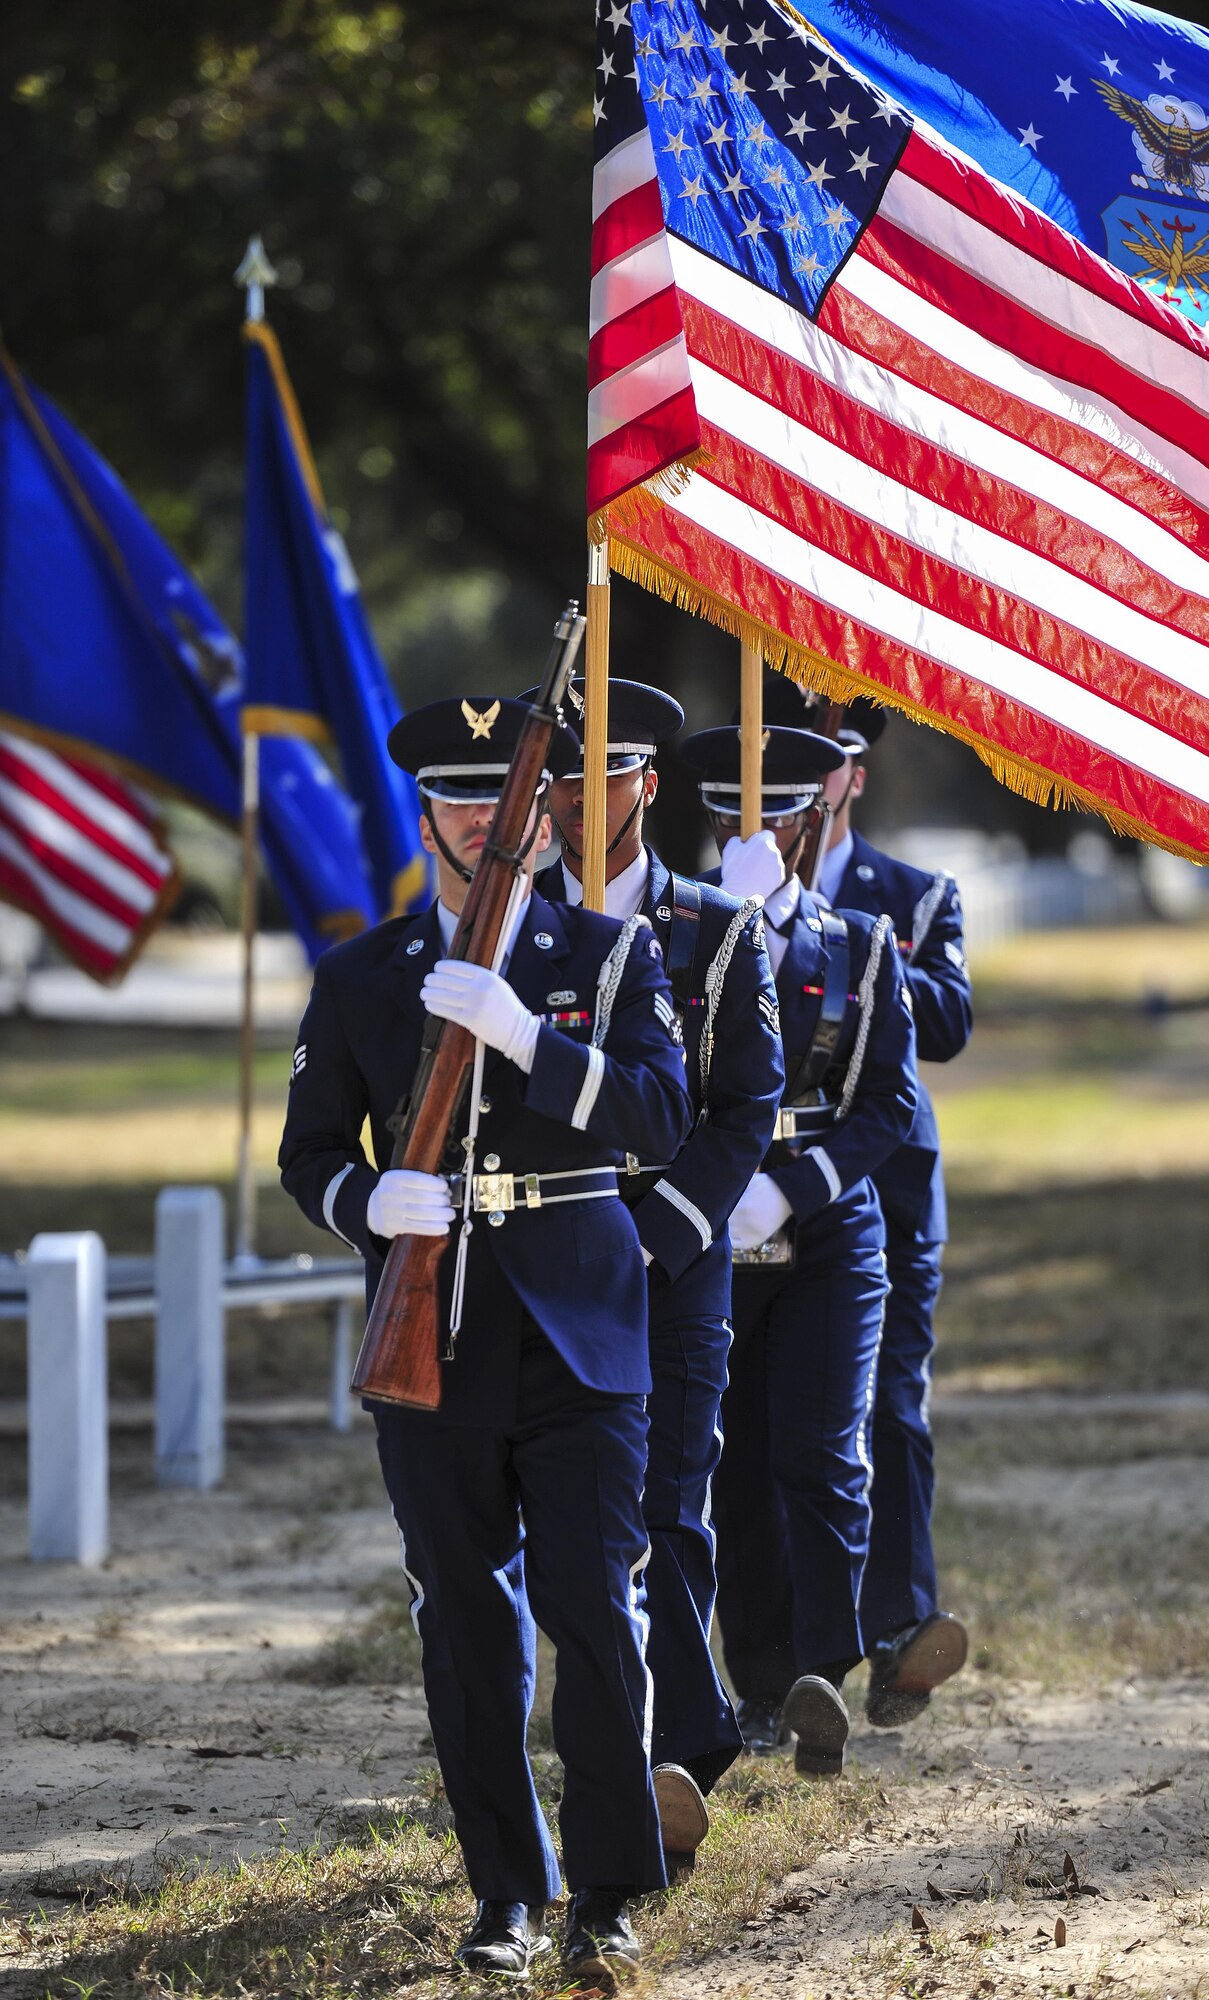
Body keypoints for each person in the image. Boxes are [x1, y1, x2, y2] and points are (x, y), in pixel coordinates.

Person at [278, 695, 694, 1981]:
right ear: (426, 816)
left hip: (578, 1333)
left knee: (593, 1611)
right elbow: (306, 1153)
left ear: (545, 806)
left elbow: (661, 1117)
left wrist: (524, 1036)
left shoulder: (610, 959)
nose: (481, 814)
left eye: (500, 790)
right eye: (457, 796)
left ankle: (609, 1887)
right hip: (434, 1331)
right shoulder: (358, 975)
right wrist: (365, 1203)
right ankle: (508, 1890)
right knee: (463, 1619)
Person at [527, 674, 784, 1871]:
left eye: (607, 772)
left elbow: (745, 1109)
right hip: (538, 1272)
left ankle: (674, 1749)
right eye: (563, 774)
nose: (581, 795)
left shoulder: (711, 932)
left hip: (667, 1264)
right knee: (569, 1527)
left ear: (651, 784)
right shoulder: (512, 931)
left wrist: (661, 1231)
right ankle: (638, 1739)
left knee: (668, 1504)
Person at [678, 723, 918, 1779]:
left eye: (777, 811)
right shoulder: (672, 938)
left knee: (821, 1453)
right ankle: (761, 1681)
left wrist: (789, 1185)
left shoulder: (860, 943)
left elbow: (885, 1107)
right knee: (730, 1462)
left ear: (810, 817)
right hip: (712, 1227)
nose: (759, 830)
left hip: (824, 1228)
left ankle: (826, 1666)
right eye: (736, 813)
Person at [757, 675, 974, 1728]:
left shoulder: (913, 894)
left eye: (827, 752)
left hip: (883, 1182)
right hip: (763, 1179)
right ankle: (791, 1652)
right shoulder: (727, 889)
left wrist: (835, 939)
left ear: (853, 770)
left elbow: (948, 1022)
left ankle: (896, 1631)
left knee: (888, 1402)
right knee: (766, 1414)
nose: (811, 773)